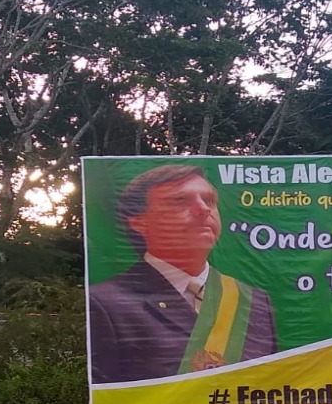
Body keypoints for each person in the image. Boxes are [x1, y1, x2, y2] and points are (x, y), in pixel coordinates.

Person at [89, 164, 277, 384]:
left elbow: (268, 384)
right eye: (180, 201)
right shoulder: (105, 303)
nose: (204, 209)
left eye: (209, 201)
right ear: (139, 222)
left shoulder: (254, 300)